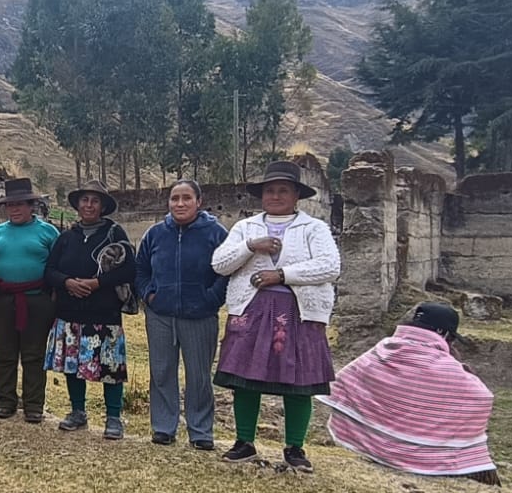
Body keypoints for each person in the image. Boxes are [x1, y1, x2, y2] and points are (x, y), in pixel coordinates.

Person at [211, 160, 341, 473]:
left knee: (299, 380)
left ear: (296, 194)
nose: (275, 196)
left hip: (299, 313)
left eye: (283, 190)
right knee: (246, 378)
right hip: (251, 310)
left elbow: (330, 266)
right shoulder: (246, 228)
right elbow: (220, 264)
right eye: (270, 190)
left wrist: (282, 274)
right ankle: (244, 442)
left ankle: (295, 447)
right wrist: (251, 246)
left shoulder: (314, 229)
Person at [320, 303, 501, 485]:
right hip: (424, 457)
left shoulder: (385, 349)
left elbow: (346, 380)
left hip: (369, 444)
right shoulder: (446, 367)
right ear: (444, 334)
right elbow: (482, 397)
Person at [135, 179, 230, 451]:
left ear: (199, 201)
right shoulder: (155, 234)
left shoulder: (215, 233)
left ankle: (200, 431)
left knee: (199, 375)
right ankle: (163, 428)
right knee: (162, 372)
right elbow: (141, 269)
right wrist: (149, 295)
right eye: (174, 198)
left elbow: (226, 272)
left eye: (186, 198)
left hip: (200, 316)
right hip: (161, 315)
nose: (180, 203)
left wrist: (211, 299)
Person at [44, 180, 136, 438]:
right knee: (73, 365)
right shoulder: (66, 237)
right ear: (77, 205)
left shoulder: (115, 234)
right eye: (84, 200)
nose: (89, 205)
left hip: (104, 314)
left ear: (103, 206)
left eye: (95, 201)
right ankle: (77, 412)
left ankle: (114, 417)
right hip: (70, 313)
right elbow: (49, 271)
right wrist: (67, 283)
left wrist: (97, 283)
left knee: (110, 368)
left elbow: (130, 269)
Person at [0, 178, 59, 424]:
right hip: (1, 301)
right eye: (10, 205)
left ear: (31, 205)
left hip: (37, 301)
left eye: (20, 204)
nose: (14, 209)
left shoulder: (48, 232)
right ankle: (5, 402)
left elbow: (58, 267)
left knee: (34, 354)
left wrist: (53, 297)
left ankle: (34, 405)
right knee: (3, 353)